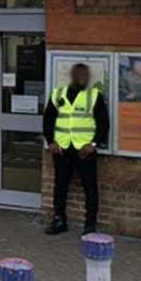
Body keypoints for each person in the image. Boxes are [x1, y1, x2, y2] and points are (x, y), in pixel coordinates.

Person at [42, 62, 109, 236]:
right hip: (62, 148)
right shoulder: (58, 94)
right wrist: (51, 142)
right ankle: (59, 220)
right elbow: (48, 119)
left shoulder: (94, 96)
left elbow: (103, 124)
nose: (84, 79)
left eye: (86, 76)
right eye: (81, 75)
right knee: (60, 186)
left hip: (84, 150)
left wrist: (93, 144)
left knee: (90, 187)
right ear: (73, 76)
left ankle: (90, 224)